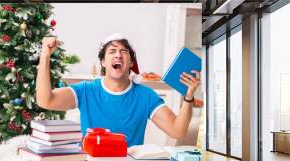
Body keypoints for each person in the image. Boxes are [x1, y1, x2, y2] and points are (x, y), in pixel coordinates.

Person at [36, 33, 201, 147]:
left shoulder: (145, 96)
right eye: (112, 51)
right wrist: (45, 56)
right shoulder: (85, 91)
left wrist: (189, 96)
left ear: (130, 63)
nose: (118, 55)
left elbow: (178, 131)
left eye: (124, 52)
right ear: (103, 62)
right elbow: (45, 100)